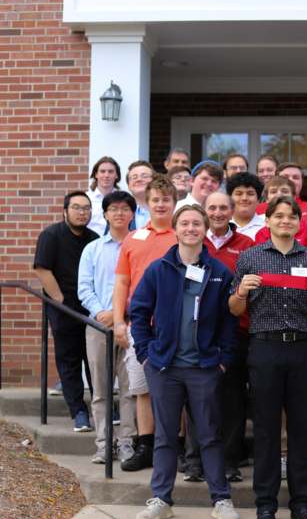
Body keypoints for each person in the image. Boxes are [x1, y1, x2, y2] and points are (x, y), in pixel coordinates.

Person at [230, 195, 307, 519]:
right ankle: (266, 503)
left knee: (300, 428)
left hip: (302, 348)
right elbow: (234, 309)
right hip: (264, 348)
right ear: (267, 221)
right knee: (267, 430)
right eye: (279, 216)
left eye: (291, 216)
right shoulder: (250, 258)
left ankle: (301, 502)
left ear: (300, 223)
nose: (285, 221)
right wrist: (241, 292)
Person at [129, 204, 240, 519]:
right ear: (175, 229)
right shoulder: (158, 269)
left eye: (197, 224)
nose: (191, 228)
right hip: (164, 367)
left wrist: (223, 359)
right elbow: (138, 312)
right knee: (165, 435)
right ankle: (161, 500)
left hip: (204, 368)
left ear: (205, 230)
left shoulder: (219, 272)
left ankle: (221, 500)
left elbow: (229, 321)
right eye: (185, 224)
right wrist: (146, 355)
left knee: (208, 434)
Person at [112, 175, 178, 471]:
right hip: (141, 326)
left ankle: (179, 448)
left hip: (177, 327)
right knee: (142, 388)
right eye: (156, 200)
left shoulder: (185, 235)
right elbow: (122, 282)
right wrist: (117, 322)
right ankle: (146, 446)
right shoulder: (133, 238)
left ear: (174, 203)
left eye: (166, 199)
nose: (161, 204)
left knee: (180, 388)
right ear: (147, 203)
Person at [77, 190, 137, 463]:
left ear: (132, 214)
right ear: (105, 215)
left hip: (132, 325)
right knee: (100, 390)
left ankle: (127, 442)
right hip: (99, 325)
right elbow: (84, 288)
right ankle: (103, 444)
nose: (119, 213)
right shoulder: (93, 249)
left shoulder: (139, 245)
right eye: (114, 209)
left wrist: (121, 314)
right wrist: (103, 312)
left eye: (125, 209)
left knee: (130, 389)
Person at [33, 191, 99, 432]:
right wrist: (60, 300)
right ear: (65, 211)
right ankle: (78, 411)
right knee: (69, 361)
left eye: (86, 208)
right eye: (77, 207)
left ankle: (101, 408)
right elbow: (42, 269)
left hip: (90, 308)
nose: (82, 212)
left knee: (94, 360)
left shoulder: (94, 238)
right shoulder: (51, 235)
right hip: (63, 309)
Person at [203, 191, 256, 482]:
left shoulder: (246, 245)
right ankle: (199, 457)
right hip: (203, 333)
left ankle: (230, 459)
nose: (219, 213)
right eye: (213, 208)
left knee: (234, 397)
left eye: (224, 208)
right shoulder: (197, 240)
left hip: (239, 330)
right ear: (205, 210)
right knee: (203, 397)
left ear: (232, 210)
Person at [255, 176, 307, 271]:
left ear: (295, 197)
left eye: (284, 191)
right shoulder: (261, 234)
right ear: (267, 198)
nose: (279, 195)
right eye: (274, 191)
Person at [87, 156, 121, 234]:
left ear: (116, 175)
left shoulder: (123, 199)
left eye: (110, 171)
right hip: (90, 243)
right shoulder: (87, 198)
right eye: (102, 171)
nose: (106, 175)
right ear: (96, 174)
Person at [127, 160, 155, 229]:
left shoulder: (167, 209)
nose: (139, 179)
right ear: (128, 185)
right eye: (134, 177)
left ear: (154, 181)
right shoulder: (121, 212)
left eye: (144, 176)